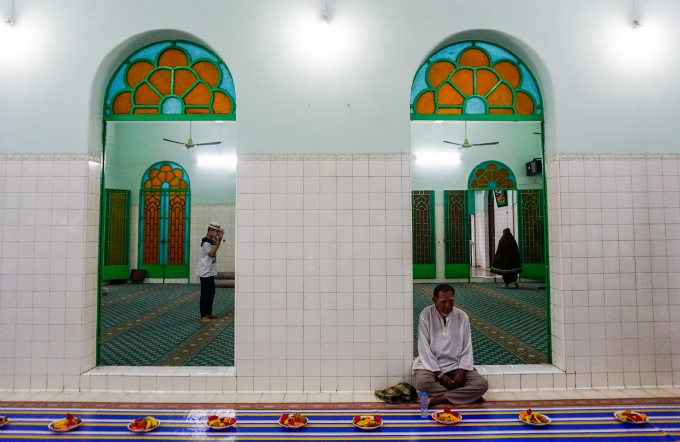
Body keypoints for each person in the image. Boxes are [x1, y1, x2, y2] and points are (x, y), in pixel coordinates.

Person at [413, 283, 488, 406]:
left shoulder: (462, 316)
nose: (448, 305)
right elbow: (424, 348)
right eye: (443, 301)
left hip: (456, 365)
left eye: (451, 301)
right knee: (423, 383)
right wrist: (440, 374)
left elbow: (467, 347)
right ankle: (467, 396)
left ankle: (439, 399)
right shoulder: (426, 315)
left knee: (482, 385)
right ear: (434, 300)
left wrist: (461, 371)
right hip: (431, 367)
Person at [196, 221, 224, 323]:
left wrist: (219, 239)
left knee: (211, 292)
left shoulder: (211, 240)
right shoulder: (206, 241)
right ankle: (203, 316)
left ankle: (208, 312)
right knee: (205, 294)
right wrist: (218, 240)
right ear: (211, 231)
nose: (217, 234)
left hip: (209, 270)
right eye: (216, 232)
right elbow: (211, 253)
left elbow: (215, 248)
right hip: (204, 271)